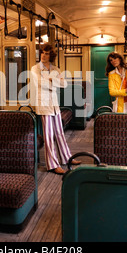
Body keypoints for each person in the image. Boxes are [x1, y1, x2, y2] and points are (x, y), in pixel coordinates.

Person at [30, 44, 80, 175]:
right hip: (44, 105)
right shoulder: (35, 69)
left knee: (59, 133)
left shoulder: (55, 68)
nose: (44, 55)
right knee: (48, 135)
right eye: (42, 53)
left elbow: (65, 84)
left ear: (51, 55)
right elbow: (40, 83)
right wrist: (54, 80)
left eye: (47, 53)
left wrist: (51, 79)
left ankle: (67, 158)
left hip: (54, 105)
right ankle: (52, 165)